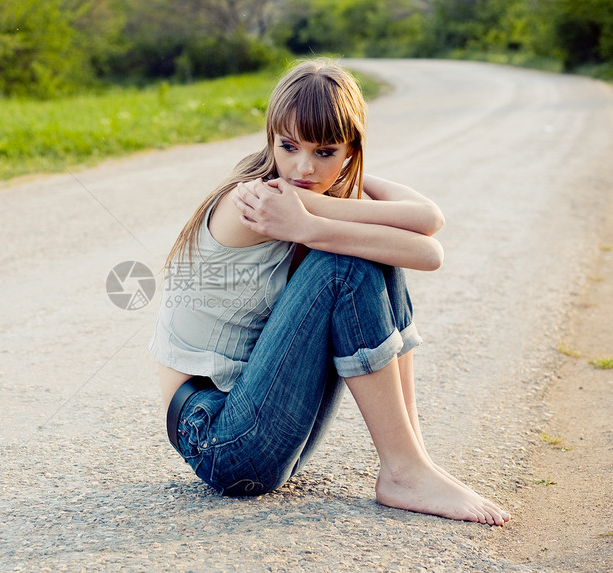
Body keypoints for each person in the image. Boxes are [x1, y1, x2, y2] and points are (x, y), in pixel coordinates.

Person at [148, 58, 509, 526]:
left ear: (350, 151)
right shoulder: (258, 201)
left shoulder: (311, 201)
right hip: (220, 441)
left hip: (261, 434)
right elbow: (428, 243)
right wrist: (317, 218)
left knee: (367, 252)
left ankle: (411, 461)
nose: (302, 167)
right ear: (271, 139)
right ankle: (404, 470)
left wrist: (333, 198)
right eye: (288, 145)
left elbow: (426, 230)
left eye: (324, 151)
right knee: (342, 260)